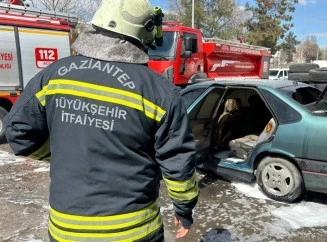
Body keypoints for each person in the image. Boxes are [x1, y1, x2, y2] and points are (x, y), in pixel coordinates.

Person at [4, 0, 199, 241]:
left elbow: (18, 132)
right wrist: (184, 209)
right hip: (134, 232)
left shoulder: (54, 75)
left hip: (66, 231)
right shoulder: (160, 91)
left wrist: (65, 152)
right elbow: (178, 162)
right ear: (144, 32)